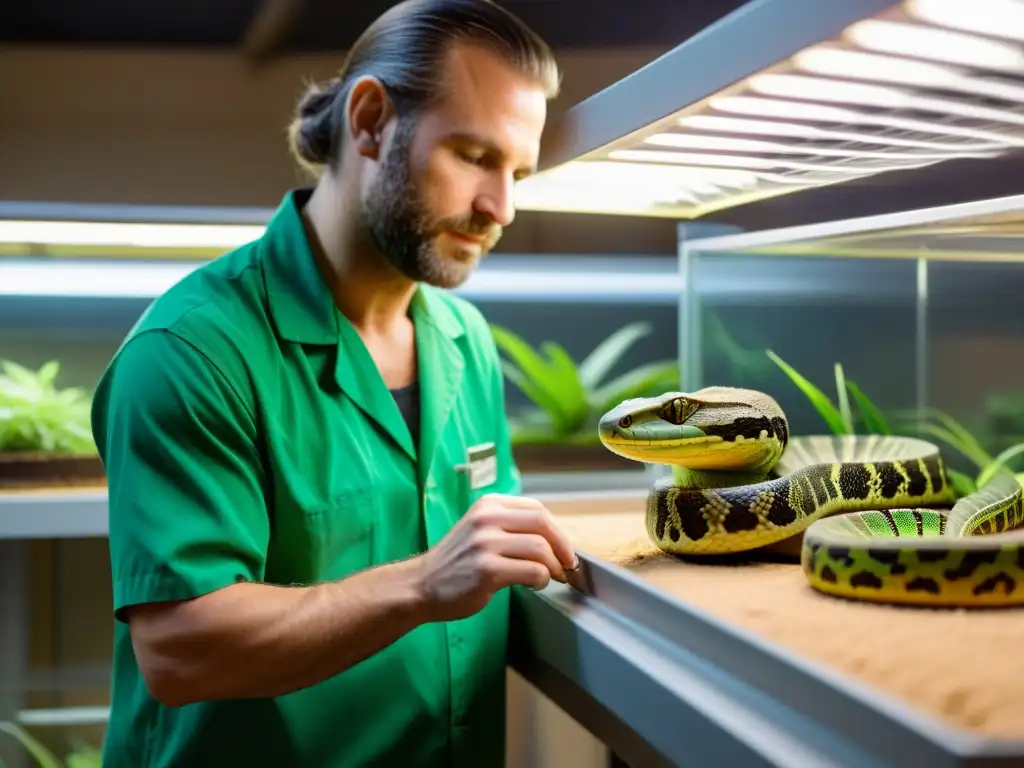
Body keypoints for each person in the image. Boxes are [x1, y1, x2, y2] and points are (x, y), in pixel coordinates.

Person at [89, 1, 579, 765]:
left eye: (517, 172)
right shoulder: (194, 350)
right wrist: (421, 583)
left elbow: (495, 557)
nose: (501, 208)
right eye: (474, 156)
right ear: (372, 120)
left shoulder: (464, 342)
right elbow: (180, 651)